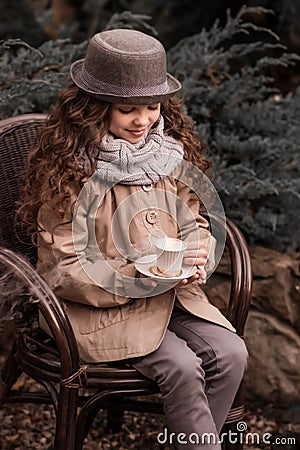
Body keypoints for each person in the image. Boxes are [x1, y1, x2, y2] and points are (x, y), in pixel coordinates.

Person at [18, 29, 248, 449]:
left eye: (152, 107)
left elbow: (193, 217)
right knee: (181, 366)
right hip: (97, 309)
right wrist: (137, 278)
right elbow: (62, 268)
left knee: (231, 353)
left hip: (171, 296)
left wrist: (196, 251)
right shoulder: (69, 173)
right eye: (127, 110)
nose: (143, 120)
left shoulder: (168, 157)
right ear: (92, 109)